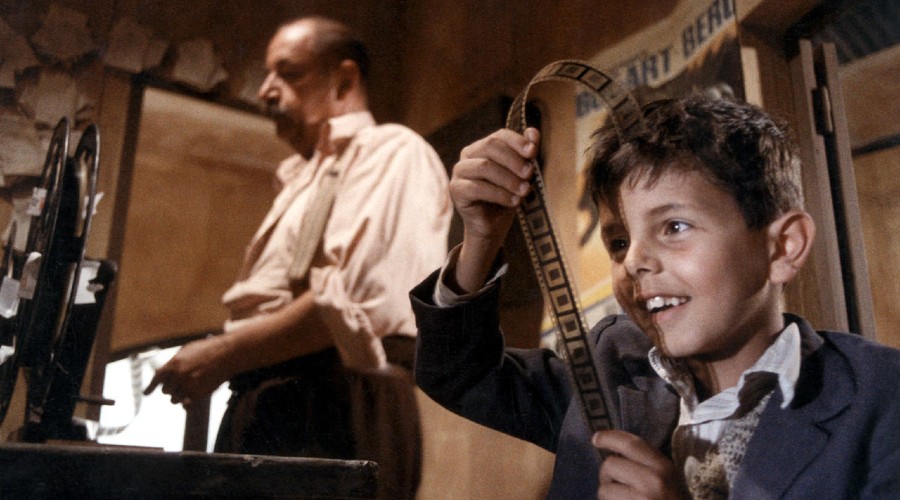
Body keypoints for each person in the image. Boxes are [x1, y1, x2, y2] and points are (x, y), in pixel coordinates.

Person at [410, 93, 900, 499]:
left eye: (674, 227)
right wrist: (482, 236)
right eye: (618, 241)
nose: (633, 261)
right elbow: (459, 374)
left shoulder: (882, 401)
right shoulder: (612, 363)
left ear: (783, 247)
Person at [146, 16, 451, 500]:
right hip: (275, 399)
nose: (266, 90)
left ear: (343, 81)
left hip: (334, 404)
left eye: (289, 73)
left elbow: (350, 303)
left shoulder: (392, 152)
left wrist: (222, 354)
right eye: (268, 74)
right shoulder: (302, 176)